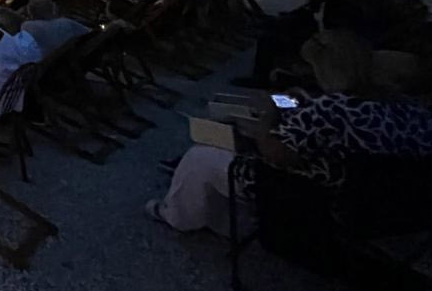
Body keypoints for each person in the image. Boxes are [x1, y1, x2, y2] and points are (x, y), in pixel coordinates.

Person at [147, 92, 432, 236]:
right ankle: (224, 214)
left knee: (201, 156)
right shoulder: (405, 106)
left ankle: (177, 216)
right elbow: (300, 102)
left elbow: (276, 154)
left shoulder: (329, 106)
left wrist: (264, 124)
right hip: (396, 201)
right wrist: (284, 100)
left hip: (319, 195)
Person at [22, 0, 90, 59]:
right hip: (78, 57)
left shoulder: (28, 26)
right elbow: (89, 33)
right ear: (52, 8)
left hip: (53, 66)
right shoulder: (65, 22)